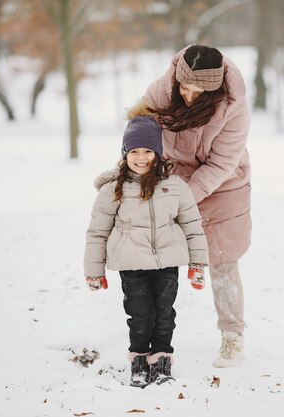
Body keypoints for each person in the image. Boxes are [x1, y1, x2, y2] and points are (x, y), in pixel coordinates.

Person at [142, 44, 251, 368]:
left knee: (222, 260)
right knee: (156, 258)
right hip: (173, 176)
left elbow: (220, 165)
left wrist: (183, 199)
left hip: (223, 183)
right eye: (185, 88)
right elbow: (140, 135)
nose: (189, 96)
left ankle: (232, 337)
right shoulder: (162, 90)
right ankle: (151, 339)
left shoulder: (234, 108)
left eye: (199, 92)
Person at [83, 109, 209, 388]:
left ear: (158, 154)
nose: (141, 158)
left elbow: (192, 224)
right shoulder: (113, 190)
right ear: (125, 154)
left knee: (165, 314)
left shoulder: (175, 186)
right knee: (140, 316)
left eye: (148, 151)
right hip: (131, 265)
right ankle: (139, 362)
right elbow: (97, 232)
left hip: (168, 263)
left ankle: (162, 361)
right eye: (134, 151)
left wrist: (198, 264)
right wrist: (94, 271)